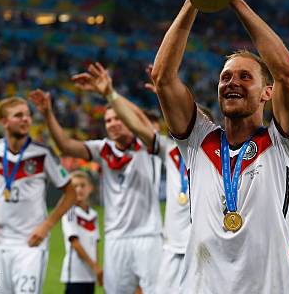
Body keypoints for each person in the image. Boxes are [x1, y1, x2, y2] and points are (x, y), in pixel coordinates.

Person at [150, 0, 289, 293]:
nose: (231, 82)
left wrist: (235, 1)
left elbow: (287, 75)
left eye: (244, 76)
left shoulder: (282, 142)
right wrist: (194, 0)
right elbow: (162, 78)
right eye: (225, 77)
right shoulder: (198, 140)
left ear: (267, 92)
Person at [67, 62, 213, 292]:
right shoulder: (169, 149)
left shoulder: (223, 155)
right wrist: (110, 94)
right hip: (172, 249)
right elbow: (136, 124)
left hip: (207, 249)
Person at [29, 85, 162, 294]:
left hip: (148, 236)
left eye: (118, 118)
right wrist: (47, 114)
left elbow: (143, 122)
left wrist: (111, 93)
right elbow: (65, 146)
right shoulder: (102, 149)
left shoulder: (147, 145)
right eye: (108, 120)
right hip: (115, 238)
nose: (112, 124)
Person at [0, 96, 75, 294]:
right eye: (18, 115)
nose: (26, 119)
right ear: (4, 122)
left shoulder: (42, 153)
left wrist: (47, 225)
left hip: (30, 244)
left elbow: (71, 193)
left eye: (28, 115)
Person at [60, 171, 102, 294]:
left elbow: (95, 244)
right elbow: (75, 243)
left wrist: (96, 267)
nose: (79, 190)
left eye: (82, 185)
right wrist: (95, 266)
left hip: (90, 276)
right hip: (75, 275)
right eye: (75, 186)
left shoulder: (94, 215)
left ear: (90, 188)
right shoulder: (70, 212)